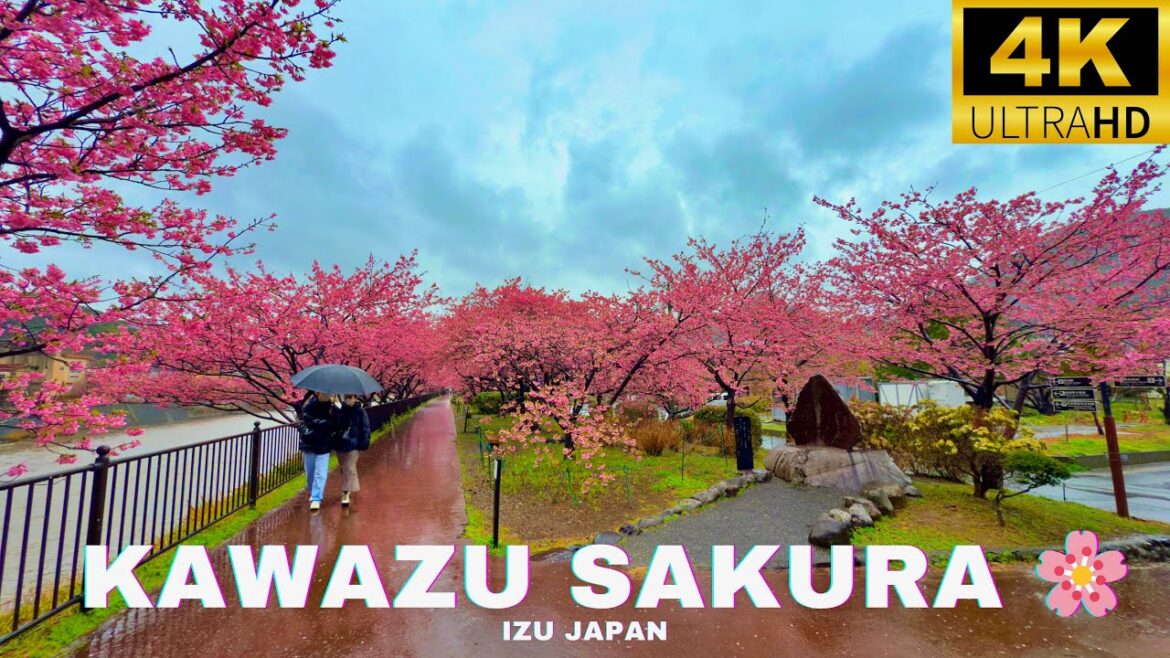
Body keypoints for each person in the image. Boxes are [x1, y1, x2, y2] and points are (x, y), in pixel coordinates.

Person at [299, 391, 337, 511]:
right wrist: (323, 423)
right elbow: (307, 420)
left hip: (324, 444)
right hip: (309, 443)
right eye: (323, 393)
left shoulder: (333, 409)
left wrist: (322, 423)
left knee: (321, 472)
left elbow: (335, 423)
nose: (326, 395)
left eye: (328, 394)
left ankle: (316, 498)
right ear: (318, 393)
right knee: (310, 473)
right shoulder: (309, 406)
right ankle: (313, 492)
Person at [334, 393, 371, 506]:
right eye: (346, 397)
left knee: (349, 467)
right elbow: (336, 426)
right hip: (341, 443)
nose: (348, 399)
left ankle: (345, 493)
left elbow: (366, 428)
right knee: (344, 467)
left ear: (355, 398)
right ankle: (349, 488)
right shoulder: (340, 411)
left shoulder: (360, 412)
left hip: (354, 444)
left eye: (350, 397)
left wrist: (364, 443)